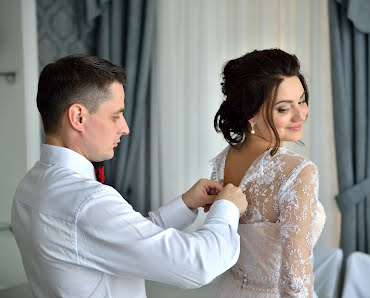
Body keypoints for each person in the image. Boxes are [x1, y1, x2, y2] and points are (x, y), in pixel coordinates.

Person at [11, 54, 247, 298]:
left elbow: (118, 241)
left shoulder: (30, 185)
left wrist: (185, 204)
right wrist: (226, 210)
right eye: (115, 115)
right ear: (78, 117)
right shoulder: (87, 202)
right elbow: (197, 265)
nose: (125, 127)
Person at [207, 49, 326, 297]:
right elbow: (295, 280)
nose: (301, 114)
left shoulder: (223, 160)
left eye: (302, 100)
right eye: (284, 109)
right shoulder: (299, 171)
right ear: (251, 113)